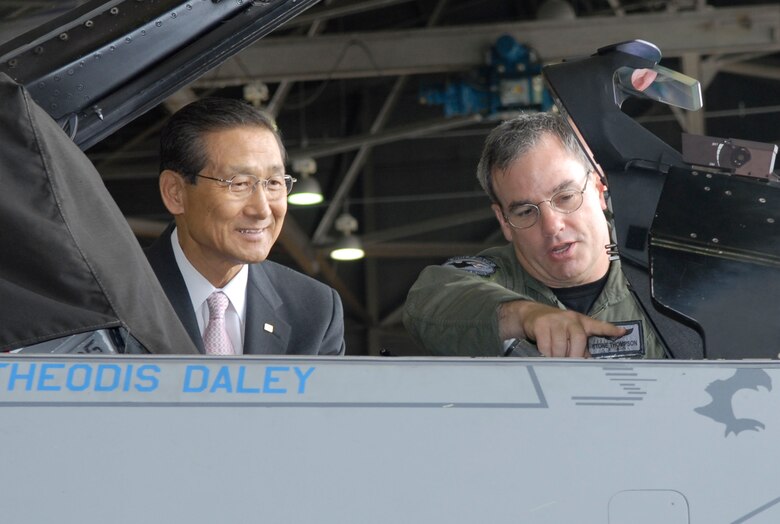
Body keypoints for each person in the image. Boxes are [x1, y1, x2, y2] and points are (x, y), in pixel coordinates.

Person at [403, 112, 666, 359]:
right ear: (504, 221)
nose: (552, 226)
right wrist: (521, 315)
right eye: (526, 212)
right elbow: (429, 300)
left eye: (565, 197)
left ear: (599, 188)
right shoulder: (499, 279)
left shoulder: (664, 273)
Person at [145, 97, 345, 355]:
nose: (262, 210)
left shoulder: (314, 309)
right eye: (239, 184)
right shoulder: (115, 296)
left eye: (274, 183)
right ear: (175, 192)